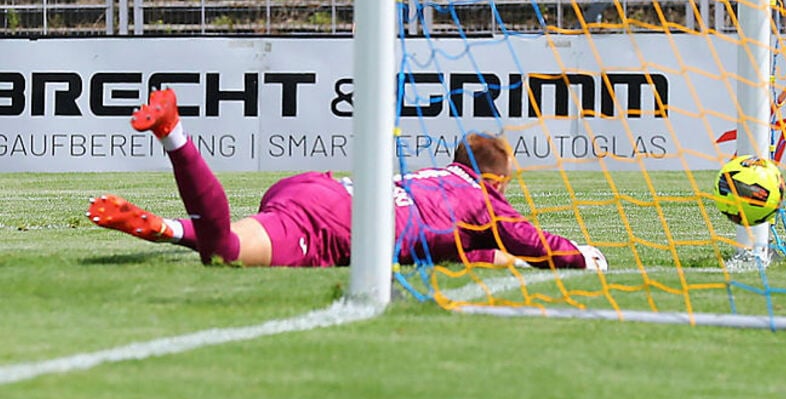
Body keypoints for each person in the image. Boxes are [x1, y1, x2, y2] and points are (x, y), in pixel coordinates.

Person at [87, 88, 608, 272]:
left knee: (234, 243)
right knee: (223, 252)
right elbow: (528, 239)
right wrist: (583, 256)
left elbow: (460, 248)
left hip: (314, 189)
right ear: (497, 180)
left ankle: (170, 229)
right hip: (344, 224)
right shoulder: (483, 200)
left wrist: (493, 259)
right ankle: (175, 135)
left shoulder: (433, 178)